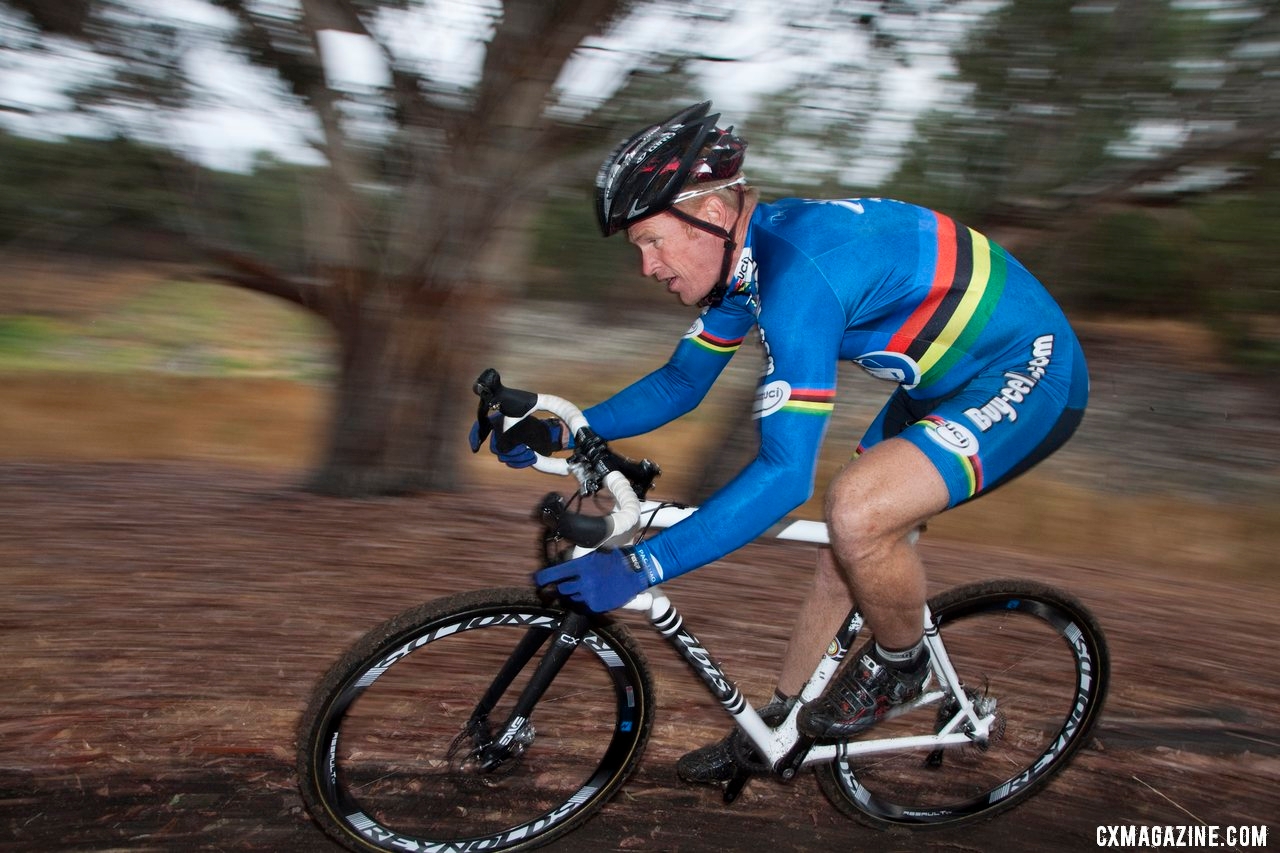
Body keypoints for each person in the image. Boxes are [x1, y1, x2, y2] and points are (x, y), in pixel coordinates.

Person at [479, 101, 1089, 784]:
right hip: (942, 381)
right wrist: (564, 424)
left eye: (652, 242)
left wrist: (644, 567)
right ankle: (778, 730)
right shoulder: (747, 262)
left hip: (1029, 371)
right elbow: (682, 382)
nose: (648, 267)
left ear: (708, 215)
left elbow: (784, 475)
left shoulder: (799, 277)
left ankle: (902, 660)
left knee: (857, 511)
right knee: (844, 554)